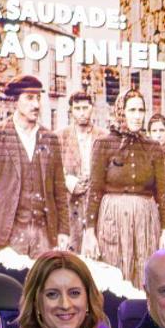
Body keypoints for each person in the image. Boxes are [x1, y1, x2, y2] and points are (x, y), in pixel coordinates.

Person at [0, 75, 67, 258]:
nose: (36, 105)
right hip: (8, 233)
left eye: (38, 98)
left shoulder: (51, 139)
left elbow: (60, 190)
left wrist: (64, 230)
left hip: (44, 235)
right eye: (29, 98)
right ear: (15, 101)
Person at [90, 90, 165, 286]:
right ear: (121, 112)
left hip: (145, 222)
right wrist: (89, 231)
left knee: (144, 276)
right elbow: (95, 190)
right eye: (132, 110)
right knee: (113, 277)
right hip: (113, 220)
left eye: (141, 110)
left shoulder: (153, 147)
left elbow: (162, 193)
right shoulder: (104, 144)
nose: (137, 115)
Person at [57, 90, 100, 250]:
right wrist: (69, 182)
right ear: (71, 111)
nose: (82, 113)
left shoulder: (103, 136)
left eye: (85, 108)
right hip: (70, 203)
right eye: (77, 108)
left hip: (95, 203)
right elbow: (52, 170)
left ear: (92, 108)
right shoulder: (60, 136)